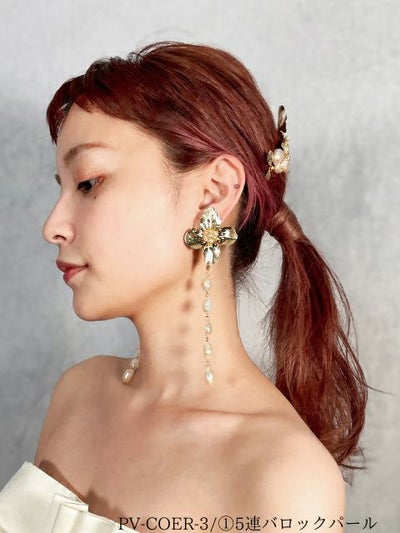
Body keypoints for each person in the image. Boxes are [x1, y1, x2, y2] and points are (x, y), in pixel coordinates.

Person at [0, 41, 367, 533]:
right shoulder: (78, 395)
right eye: (61, 188)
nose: (52, 226)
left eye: (88, 183)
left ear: (212, 193)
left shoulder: (284, 477)